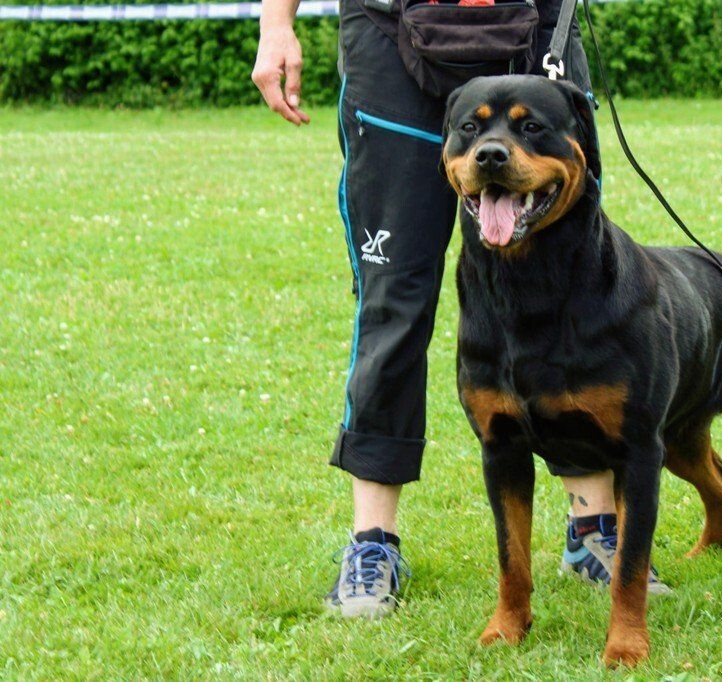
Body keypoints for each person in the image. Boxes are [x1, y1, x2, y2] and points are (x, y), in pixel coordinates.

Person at [251, 0, 668, 619]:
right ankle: (373, 542)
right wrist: (276, 24)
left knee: (570, 283)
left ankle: (592, 529)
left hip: (536, 22)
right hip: (389, 33)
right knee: (394, 296)